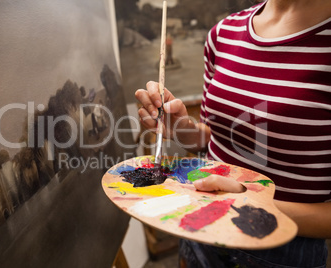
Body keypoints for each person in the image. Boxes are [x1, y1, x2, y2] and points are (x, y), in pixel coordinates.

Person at [135, 0, 331, 267]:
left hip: (280, 249)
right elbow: (212, 138)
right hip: (200, 226)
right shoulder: (223, 33)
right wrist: (183, 130)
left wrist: (251, 202)